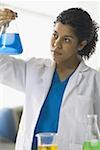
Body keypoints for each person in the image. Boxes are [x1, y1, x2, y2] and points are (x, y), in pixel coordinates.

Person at [0, 7, 100, 150]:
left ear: (81, 44)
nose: (56, 44)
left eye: (66, 39)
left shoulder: (94, 81)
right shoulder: (34, 69)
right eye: (55, 35)